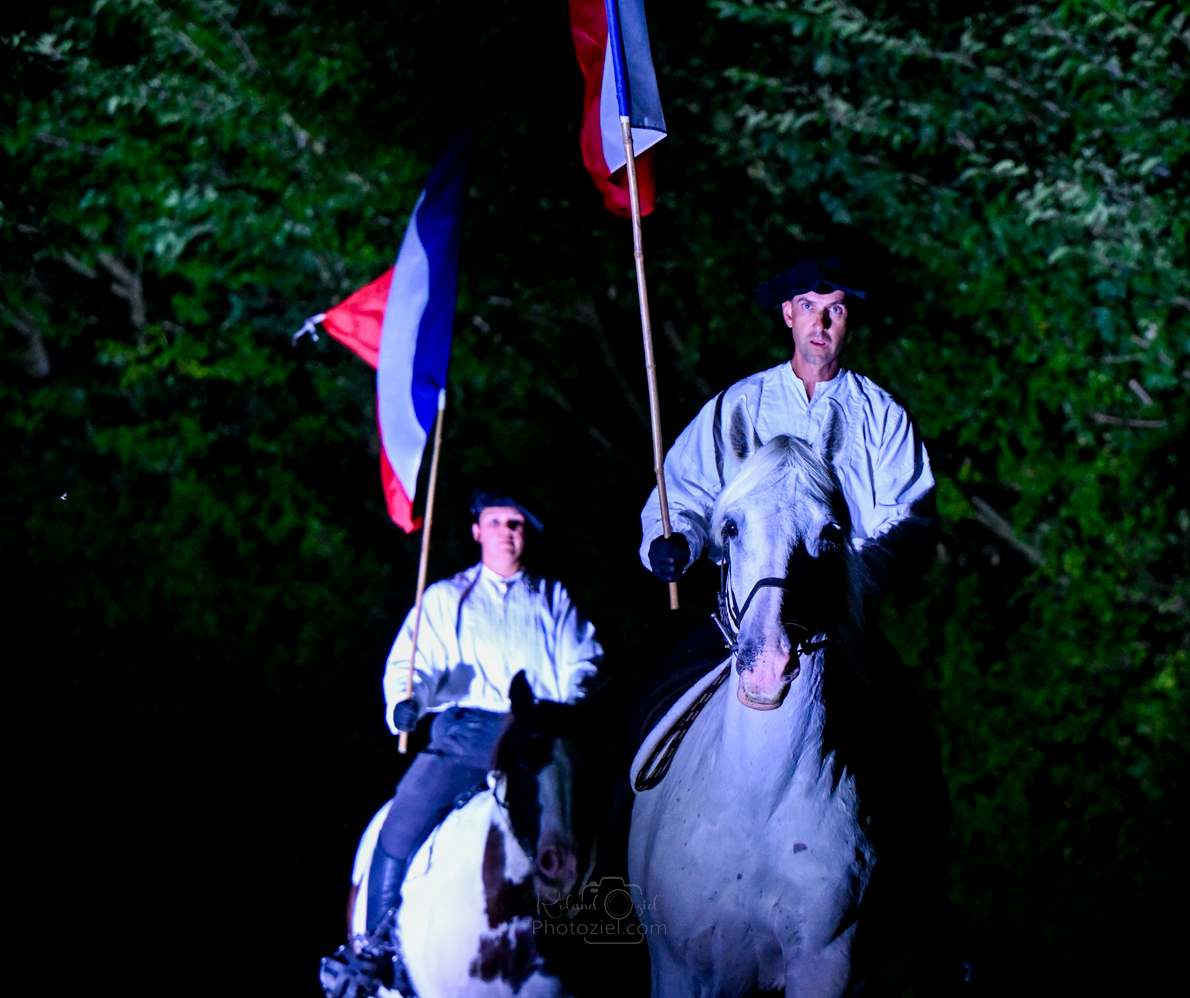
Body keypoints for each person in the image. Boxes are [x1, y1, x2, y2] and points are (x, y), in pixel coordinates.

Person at [365, 489, 602, 942]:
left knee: (601, 807)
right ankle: (373, 945)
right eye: (496, 522)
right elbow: (412, 665)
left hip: (542, 738)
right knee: (403, 818)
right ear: (477, 530)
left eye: (515, 524)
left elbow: (586, 660)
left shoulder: (552, 596)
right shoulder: (445, 597)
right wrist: (406, 700)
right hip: (469, 736)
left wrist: (563, 707)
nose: (507, 533)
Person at [642, 256, 937, 597]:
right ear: (788, 314)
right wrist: (676, 540)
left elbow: (910, 520)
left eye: (836, 310)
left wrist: (849, 576)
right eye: (808, 306)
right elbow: (684, 492)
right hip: (748, 599)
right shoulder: (740, 404)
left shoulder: (884, 416)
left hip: (844, 606)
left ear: (850, 319)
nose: (821, 322)